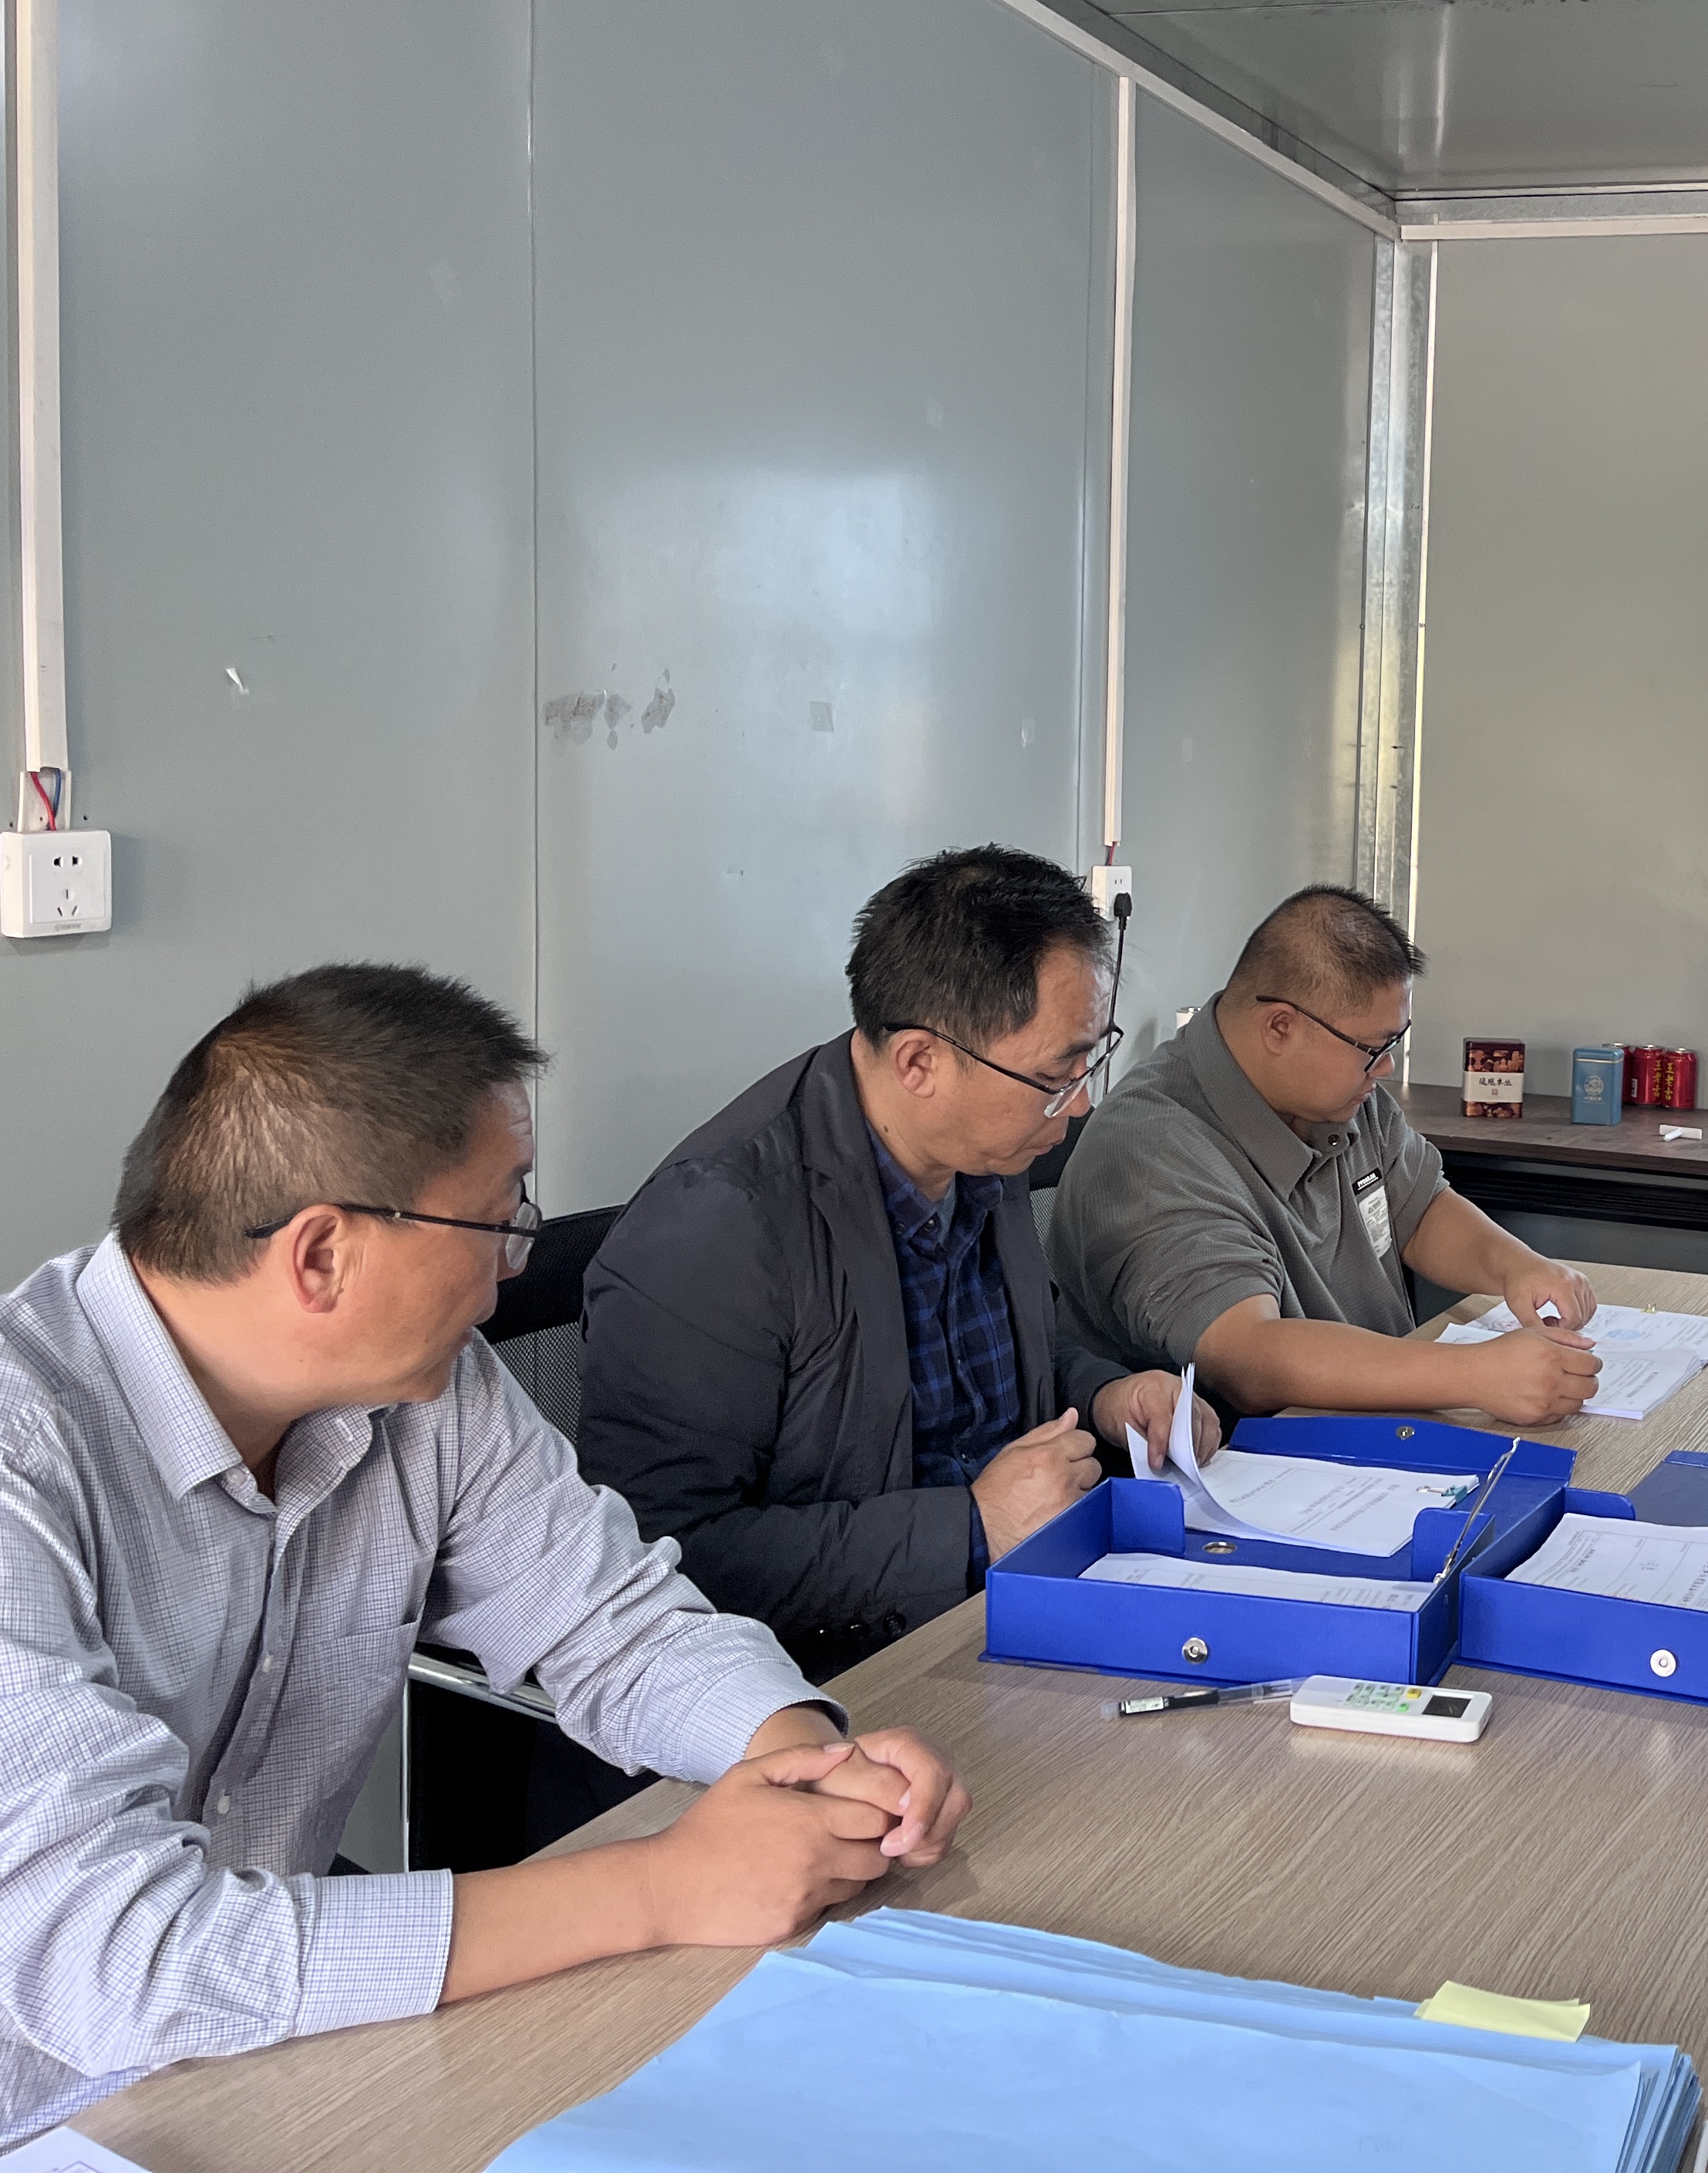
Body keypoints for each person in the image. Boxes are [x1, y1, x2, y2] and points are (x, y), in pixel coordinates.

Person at [0, 965, 969, 2146]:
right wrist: (660, 1886)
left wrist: (803, 1757)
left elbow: (610, 1621)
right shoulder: (22, 1459)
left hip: (273, 2064)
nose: (517, 1261)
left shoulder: (428, 1391)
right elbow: (113, 1959)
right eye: (500, 1219)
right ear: (321, 1255)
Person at [577, 847, 1208, 1680]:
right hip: (826, 1677)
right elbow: (657, 1557)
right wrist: (971, 1527)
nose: (1083, 1099)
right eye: (1058, 1074)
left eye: (1090, 1058)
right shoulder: (721, 1225)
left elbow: (1010, 1355)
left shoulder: (986, 1146)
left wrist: (1106, 1394)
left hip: (1013, 1610)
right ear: (919, 1063)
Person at [1051, 884, 1601, 1426]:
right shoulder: (1151, 1153)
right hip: (1252, 1463)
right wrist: (1475, 1375)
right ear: (1280, 1027)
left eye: (1395, 1041)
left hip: (1381, 1428)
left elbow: (1419, 1211)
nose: (1386, 1067)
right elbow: (1248, 1357)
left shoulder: (1337, 1095)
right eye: (1373, 1048)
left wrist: (1519, 1268)